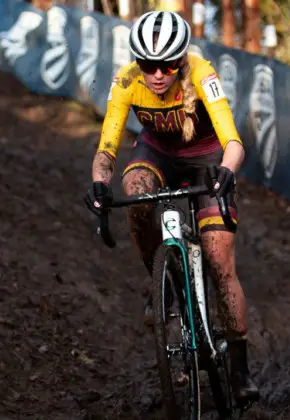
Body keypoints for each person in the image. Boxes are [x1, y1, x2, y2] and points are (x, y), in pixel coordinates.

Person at [87, 10, 259, 404]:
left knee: (219, 261)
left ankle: (240, 368)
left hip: (208, 158)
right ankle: (159, 283)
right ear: (138, 63)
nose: (158, 74)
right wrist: (99, 182)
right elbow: (107, 147)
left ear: (180, 61)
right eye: (149, 65)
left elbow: (233, 141)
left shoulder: (202, 73)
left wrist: (228, 172)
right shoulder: (127, 81)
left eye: (166, 65)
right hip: (158, 154)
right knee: (135, 187)